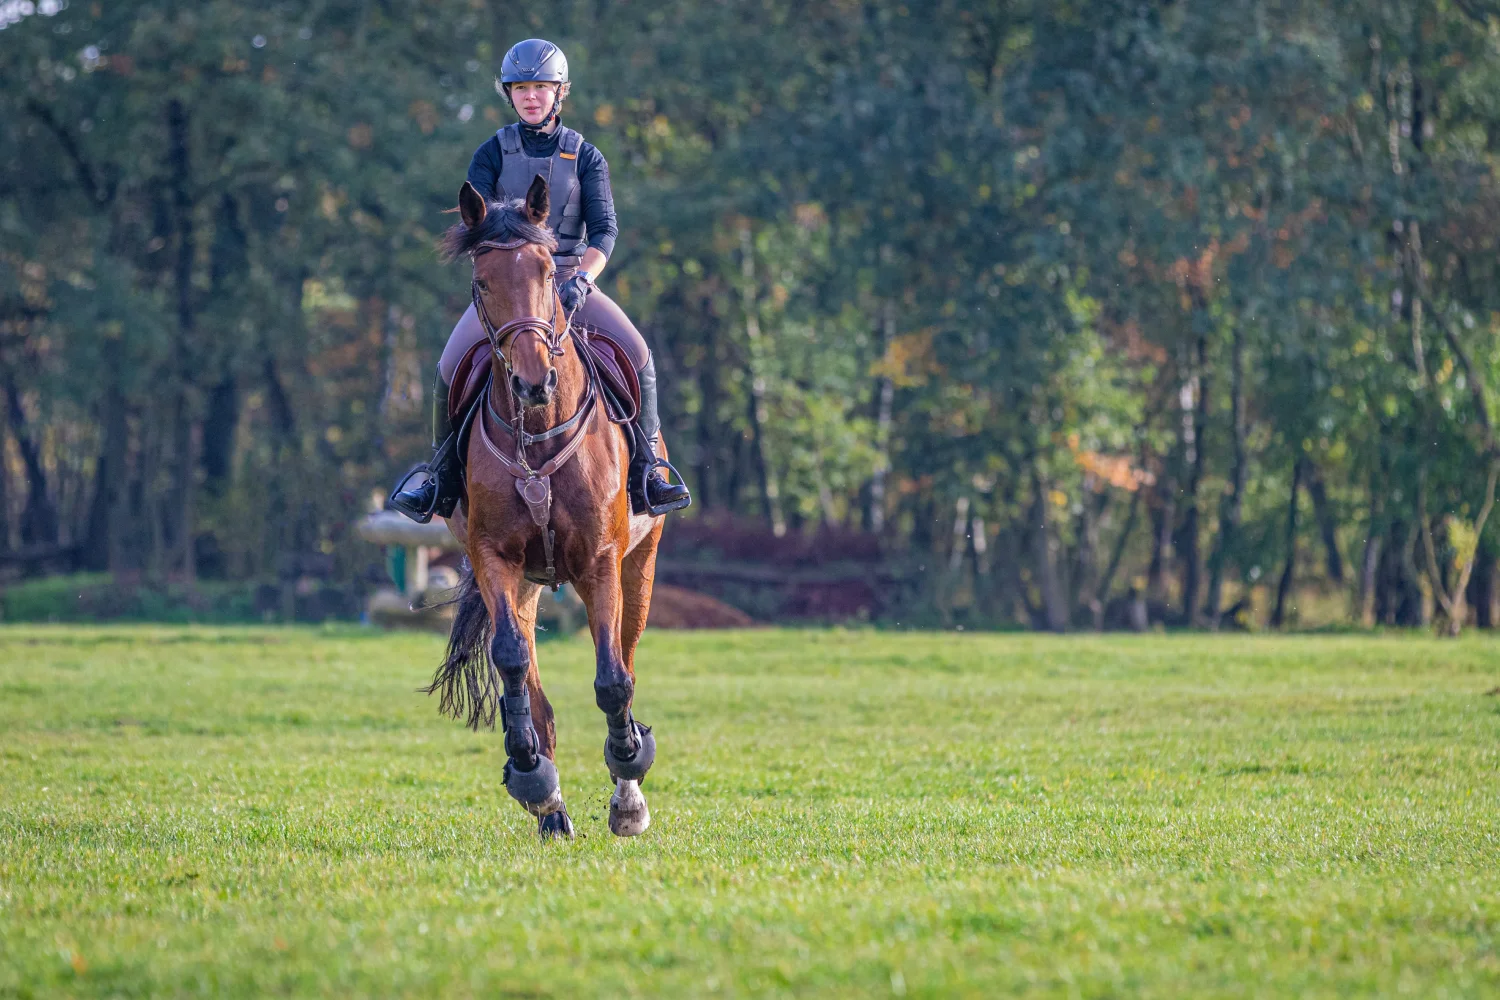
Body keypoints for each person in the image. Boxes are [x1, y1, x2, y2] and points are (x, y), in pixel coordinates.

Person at [390, 38, 691, 522]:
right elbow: (476, 222)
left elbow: (605, 231)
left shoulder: (586, 157)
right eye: (522, 88)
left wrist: (583, 280)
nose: (531, 96)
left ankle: (649, 470)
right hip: (509, 291)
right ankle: (441, 479)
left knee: (639, 355)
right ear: (510, 94)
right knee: (449, 366)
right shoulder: (490, 153)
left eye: (541, 87)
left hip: (570, 280)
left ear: (560, 92)